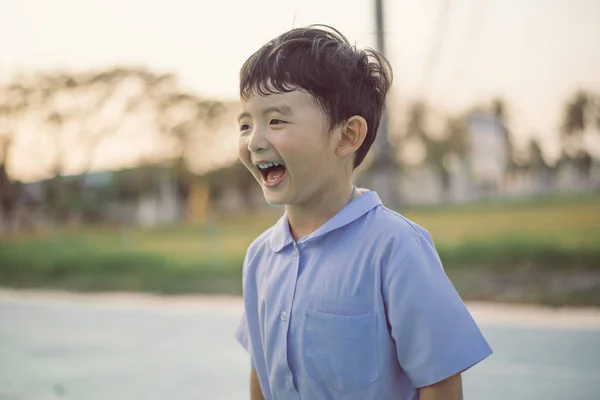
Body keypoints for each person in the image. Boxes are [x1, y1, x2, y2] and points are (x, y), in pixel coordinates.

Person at [234, 25, 492, 400]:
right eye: (245, 124)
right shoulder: (259, 257)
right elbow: (261, 370)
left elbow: (440, 383)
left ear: (347, 136)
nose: (254, 141)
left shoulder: (396, 248)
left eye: (276, 121)